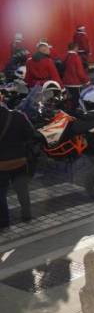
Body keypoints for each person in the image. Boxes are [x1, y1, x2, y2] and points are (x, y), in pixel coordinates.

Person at [0, 94, 35, 228]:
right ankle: (26, 216)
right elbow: (30, 134)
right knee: (22, 190)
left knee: (1, 193)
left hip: (1, 165)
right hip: (19, 160)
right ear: (1, 99)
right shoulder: (18, 116)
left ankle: (3, 222)